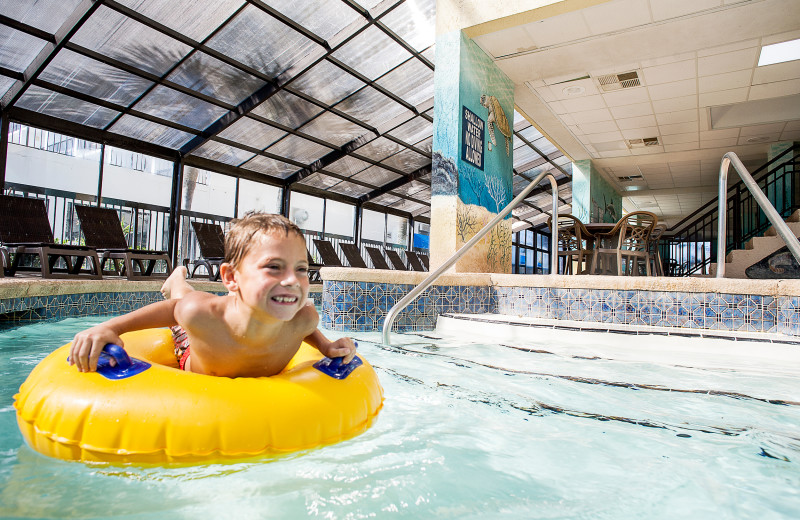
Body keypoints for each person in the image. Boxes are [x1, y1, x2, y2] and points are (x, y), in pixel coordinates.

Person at [69, 212, 356, 378]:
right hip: (194, 352)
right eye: (274, 267)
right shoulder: (201, 314)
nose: (292, 280)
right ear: (231, 277)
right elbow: (173, 310)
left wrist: (327, 346)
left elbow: (304, 329)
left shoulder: (305, 317)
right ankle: (176, 279)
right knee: (184, 300)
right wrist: (109, 327)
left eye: (302, 268)